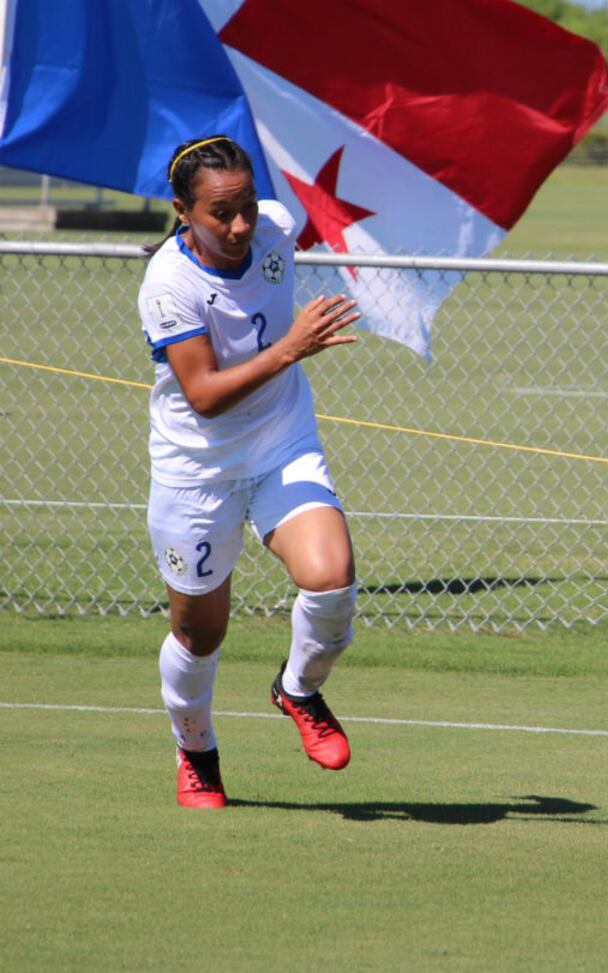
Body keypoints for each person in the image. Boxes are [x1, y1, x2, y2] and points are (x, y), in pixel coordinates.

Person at [138, 135, 362, 808]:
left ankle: (297, 687)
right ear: (182, 210)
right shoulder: (168, 286)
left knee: (332, 578)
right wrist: (293, 346)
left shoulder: (276, 226)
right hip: (196, 467)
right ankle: (197, 751)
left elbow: (308, 227)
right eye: (220, 213)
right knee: (199, 633)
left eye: (246, 207)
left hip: (279, 441)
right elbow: (204, 395)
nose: (240, 226)